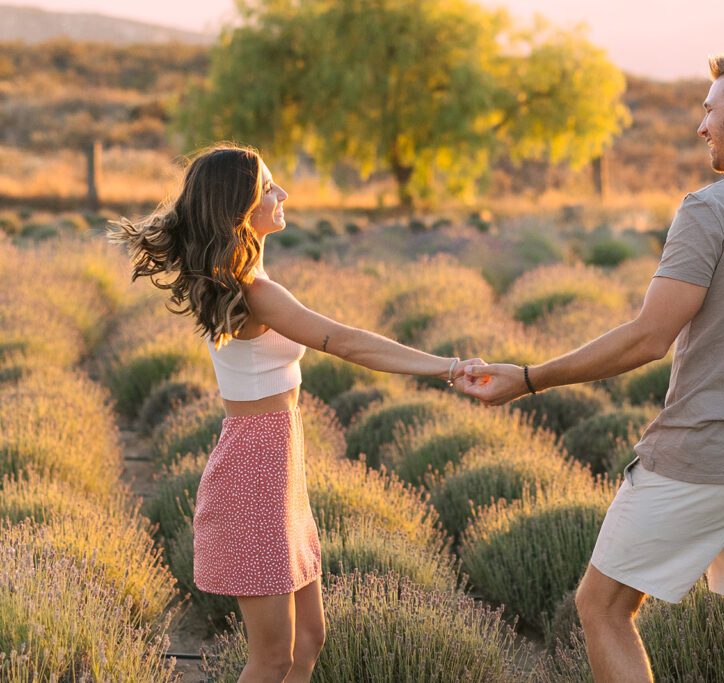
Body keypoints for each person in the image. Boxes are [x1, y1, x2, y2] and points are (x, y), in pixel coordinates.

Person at [462, 52, 724, 683]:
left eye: (709, 107)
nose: (702, 125)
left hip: (697, 457)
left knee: (602, 608)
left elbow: (647, 338)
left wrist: (528, 377)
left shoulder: (711, 207)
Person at [109, 144, 478, 682]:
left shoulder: (243, 275)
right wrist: (448, 367)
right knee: (273, 657)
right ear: (240, 210)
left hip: (277, 468)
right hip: (254, 473)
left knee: (309, 639)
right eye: (268, 190)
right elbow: (348, 343)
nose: (283, 195)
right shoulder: (255, 292)